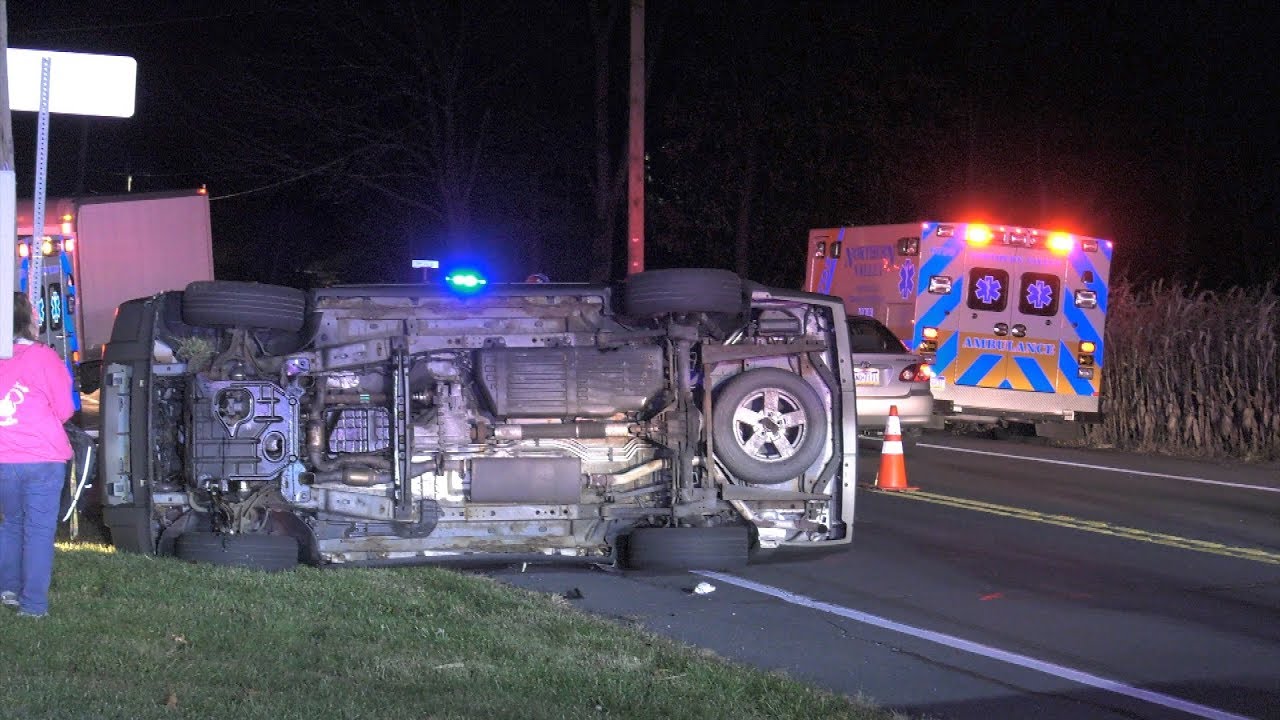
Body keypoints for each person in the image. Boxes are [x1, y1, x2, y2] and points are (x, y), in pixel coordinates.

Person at [0, 292, 74, 618]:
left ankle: (8, 589)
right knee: (39, 531)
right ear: (26, 318)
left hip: (4, 459)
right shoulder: (44, 357)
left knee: (11, 523)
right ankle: (33, 606)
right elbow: (65, 409)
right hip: (43, 458)